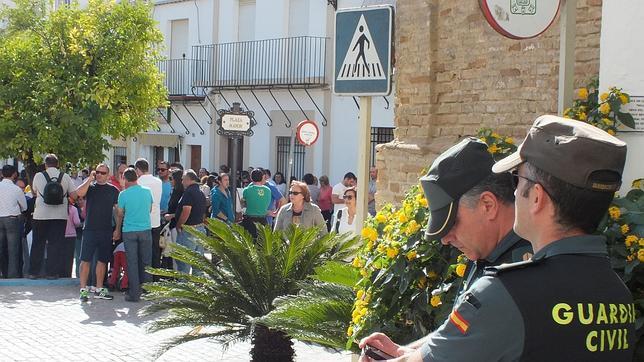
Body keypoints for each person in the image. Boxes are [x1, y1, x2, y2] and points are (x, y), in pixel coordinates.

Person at [359, 116, 636, 361]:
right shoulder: (618, 295)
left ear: (537, 197)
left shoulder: (509, 292)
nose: (513, 192)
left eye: (519, 180)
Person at [29, 154, 78, 279]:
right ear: (58, 164)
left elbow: (34, 191)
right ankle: (52, 273)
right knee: (55, 244)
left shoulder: (39, 176)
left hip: (40, 215)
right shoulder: (65, 177)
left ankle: (33, 272)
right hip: (59, 215)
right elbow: (74, 195)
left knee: (38, 243)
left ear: (45, 164)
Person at [75, 164, 119, 301]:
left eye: (103, 173)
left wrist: (117, 229)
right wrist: (89, 179)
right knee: (85, 260)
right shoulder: (91, 187)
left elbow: (118, 212)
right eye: (97, 172)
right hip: (89, 229)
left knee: (102, 261)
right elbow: (79, 193)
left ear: (108, 174)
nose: (99, 175)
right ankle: (83, 290)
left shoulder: (113, 190)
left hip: (106, 230)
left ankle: (99, 289)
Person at [113, 168, 153, 302]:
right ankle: (148, 292)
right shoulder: (147, 191)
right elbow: (150, 209)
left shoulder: (123, 194)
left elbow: (120, 214)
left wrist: (117, 230)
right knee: (146, 261)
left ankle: (134, 294)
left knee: (132, 262)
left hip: (129, 230)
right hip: (146, 229)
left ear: (125, 178)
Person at [174, 170, 207, 275]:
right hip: (200, 229)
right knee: (198, 266)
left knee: (184, 264)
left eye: (183, 179)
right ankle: (198, 289)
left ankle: (183, 289)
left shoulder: (189, 192)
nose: (182, 181)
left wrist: (179, 225)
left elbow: (186, 210)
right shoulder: (200, 192)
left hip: (189, 231)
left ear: (188, 179)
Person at [134, 158, 163, 279]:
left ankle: (144, 281)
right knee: (155, 253)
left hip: (142, 223)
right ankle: (155, 281)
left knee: (142, 255)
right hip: (155, 221)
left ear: (137, 170)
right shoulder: (158, 181)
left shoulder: (138, 182)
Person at [0, 165, 27, 278]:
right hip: (12, 219)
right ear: (14, 174)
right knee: (13, 249)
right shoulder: (16, 189)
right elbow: (24, 207)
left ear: (2, 174)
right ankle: (12, 275)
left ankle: (3, 273)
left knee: (1, 249)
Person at [162, 169, 184, 270]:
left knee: (176, 254)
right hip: (172, 224)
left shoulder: (181, 192)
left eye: (171, 178)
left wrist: (171, 215)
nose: (170, 180)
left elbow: (183, 210)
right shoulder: (174, 190)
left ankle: (178, 278)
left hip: (177, 225)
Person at [240, 169, 272, 239]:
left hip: (249, 220)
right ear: (262, 177)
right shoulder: (268, 190)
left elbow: (243, 203)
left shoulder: (247, 190)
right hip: (263, 220)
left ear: (251, 178)